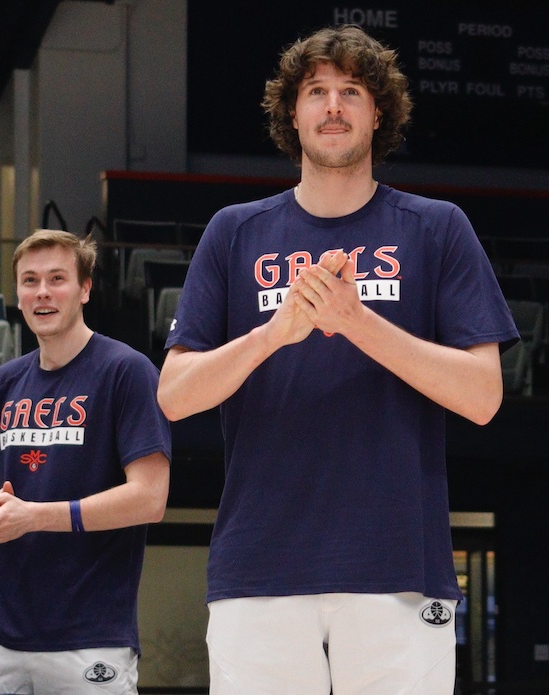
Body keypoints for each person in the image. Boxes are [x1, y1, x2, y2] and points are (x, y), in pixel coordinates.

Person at [156, 24, 518, 695]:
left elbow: (483, 395)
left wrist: (356, 322)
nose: (332, 106)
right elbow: (174, 395)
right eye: (315, 91)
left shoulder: (437, 227)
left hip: (399, 569)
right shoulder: (234, 231)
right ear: (290, 112)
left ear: (378, 112)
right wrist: (275, 332)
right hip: (259, 570)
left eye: (350, 90)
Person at [0, 229, 172, 694]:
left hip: (90, 634)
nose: (42, 292)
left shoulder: (127, 371)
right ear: (16, 295)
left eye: (57, 278)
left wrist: (33, 517)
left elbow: (150, 499)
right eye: (30, 280)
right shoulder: (3, 382)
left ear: (85, 289)